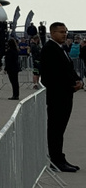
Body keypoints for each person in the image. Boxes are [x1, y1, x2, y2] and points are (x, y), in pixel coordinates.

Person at [40, 22, 83, 173]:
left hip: (65, 95)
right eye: (60, 32)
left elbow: (69, 68)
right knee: (55, 130)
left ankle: (60, 157)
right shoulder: (49, 49)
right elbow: (52, 76)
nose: (64, 34)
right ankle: (56, 160)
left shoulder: (61, 48)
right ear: (52, 33)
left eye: (65, 31)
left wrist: (78, 80)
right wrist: (71, 85)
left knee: (60, 129)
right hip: (57, 96)